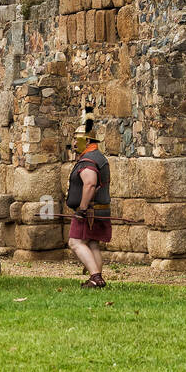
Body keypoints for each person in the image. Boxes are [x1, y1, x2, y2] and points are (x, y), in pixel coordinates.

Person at [66, 115, 111, 289]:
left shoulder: (89, 160)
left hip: (89, 211)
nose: (75, 144)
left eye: (77, 140)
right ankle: (95, 280)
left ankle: (95, 277)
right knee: (92, 243)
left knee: (75, 242)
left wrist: (82, 208)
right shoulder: (99, 157)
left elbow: (90, 183)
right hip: (100, 209)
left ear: (87, 140)